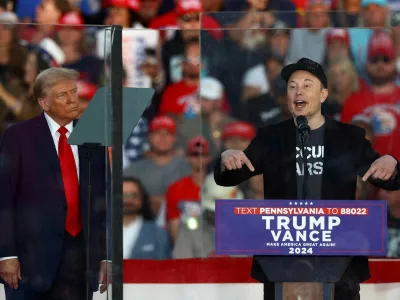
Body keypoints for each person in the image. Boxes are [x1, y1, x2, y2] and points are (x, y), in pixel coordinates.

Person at [214, 57, 400, 300]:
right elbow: (230, 176)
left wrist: (392, 164)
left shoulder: (348, 138)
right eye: (292, 86)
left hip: (339, 263)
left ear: (323, 94)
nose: (298, 91)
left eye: (307, 85)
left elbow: (389, 179)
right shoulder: (271, 138)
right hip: (282, 264)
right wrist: (226, 158)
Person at [0, 68, 111, 300]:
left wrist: (106, 255)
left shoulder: (94, 136)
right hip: (29, 261)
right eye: (62, 95)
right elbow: (4, 197)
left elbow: (104, 197)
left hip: (79, 261)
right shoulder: (18, 137)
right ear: (44, 103)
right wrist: (6, 255)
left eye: (74, 92)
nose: (72, 99)